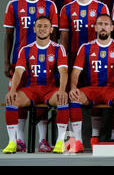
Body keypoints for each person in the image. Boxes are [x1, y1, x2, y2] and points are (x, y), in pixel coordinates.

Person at [4, 0, 58, 153]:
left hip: (44, 62)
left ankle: (42, 140)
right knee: (16, 98)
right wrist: (6, 61)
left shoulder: (49, 5)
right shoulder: (13, 5)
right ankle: (20, 140)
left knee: (42, 96)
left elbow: (55, 35)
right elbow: (9, 35)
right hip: (19, 62)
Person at [3, 16, 69, 154]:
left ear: (51, 29)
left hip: (50, 89)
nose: (42, 29)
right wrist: (13, 90)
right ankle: (12, 142)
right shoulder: (26, 49)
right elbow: (18, 72)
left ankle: (60, 141)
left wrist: (62, 90)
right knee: (11, 99)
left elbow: (63, 71)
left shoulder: (58, 49)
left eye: (45, 26)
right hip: (32, 89)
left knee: (63, 99)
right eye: (39, 26)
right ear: (34, 29)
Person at [68, 14, 114, 152]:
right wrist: (73, 87)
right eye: (100, 24)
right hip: (92, 89)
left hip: (111, 89)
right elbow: (75, 72)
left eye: (106, 24)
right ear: (95, 27)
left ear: (111, 28)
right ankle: (78, 142)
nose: (103, 27)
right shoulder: (85, 47)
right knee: (74, 97)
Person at [59, 0, 110, 68]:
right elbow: (64, 38)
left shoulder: (101, 7)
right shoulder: (66, 9)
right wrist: (63, 58)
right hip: (74, 54)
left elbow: (106, 34)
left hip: (95, 54)